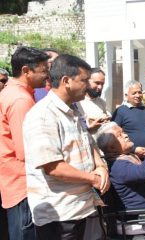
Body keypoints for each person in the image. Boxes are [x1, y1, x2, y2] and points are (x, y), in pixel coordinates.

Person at [23, 54, 110, 240]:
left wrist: (100, 165)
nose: (88, 85)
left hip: (84, 207)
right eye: (84, 80)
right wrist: (92, 179)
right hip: (61, 215)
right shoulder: (43, 115)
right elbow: (53, 167)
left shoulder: (74, 109)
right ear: (66, 81)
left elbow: (88, 140)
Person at [0, 46, 50, 240]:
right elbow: (26, 151)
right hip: (23, 186)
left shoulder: (11, 92)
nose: (47, 75)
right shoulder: (20, 99)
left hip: (14, 183)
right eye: (43, 70)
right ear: (26, 71)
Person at [112, 80, 145, 161]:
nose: (138, 95)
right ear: (126, 95)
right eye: (134, 93)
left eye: (139, 92)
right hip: (130, 158)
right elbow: (114, 137)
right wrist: (134, 149)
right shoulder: (120, 111)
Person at [76, 68, 111, 138]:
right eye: (97, 83)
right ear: (87, 81)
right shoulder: (77, 102)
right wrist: (90, 129)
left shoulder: (102, 102)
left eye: (102, 84)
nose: (100, 87)